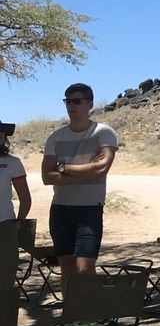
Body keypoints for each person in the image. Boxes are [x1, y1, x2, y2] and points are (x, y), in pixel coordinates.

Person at [40, 83, 119, 285]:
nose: (71, 106)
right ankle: (69, 306)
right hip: (61, 210)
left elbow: (101, 168)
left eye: (76, 101)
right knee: (66, 268)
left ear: (89, 104)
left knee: (85, 268)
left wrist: (62, 167)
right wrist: (86, 173)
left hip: (89, 210)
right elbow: (47, 177)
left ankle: (90, 306)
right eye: (67, 101)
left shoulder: (103, 133)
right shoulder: (56, 138)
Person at [0, 121, 32, 326]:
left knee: (4, 286)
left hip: (4, 228)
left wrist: (18, 222)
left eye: (0, 132)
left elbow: (25, 198)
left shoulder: (12, 163)